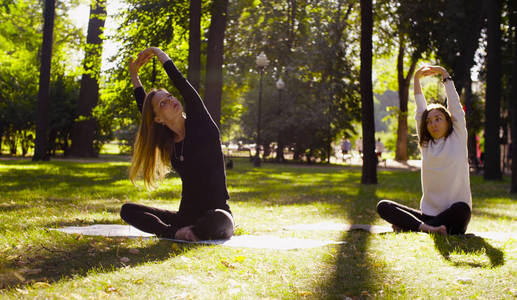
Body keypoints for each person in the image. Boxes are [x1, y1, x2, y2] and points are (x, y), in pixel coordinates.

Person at [120, 47, 234, 241]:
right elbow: (144, 107)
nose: (170, 100)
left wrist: (158, 53)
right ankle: (178, 233)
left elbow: (183, 85)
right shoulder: (167, 141)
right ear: (157, 119)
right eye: (162, 103)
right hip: (185, 218)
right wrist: (134, 75)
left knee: (219, 219)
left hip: (216, 214)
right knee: (127, 210)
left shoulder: (202, 126)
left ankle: (192, 232)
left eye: (169, 96)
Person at [376, 65, 471, 235]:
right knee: (383, 206)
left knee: (462, 209)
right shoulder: (426, 144)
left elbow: (455, 106)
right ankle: (428, 228)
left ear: (448, 121)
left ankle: (413, 226)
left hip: (454, 216)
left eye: (438, 119)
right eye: (429, 121)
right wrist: (416, 79)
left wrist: (444, 73)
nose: (433, 124)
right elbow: (420, 110)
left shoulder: (458, 137)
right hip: (428, 216)